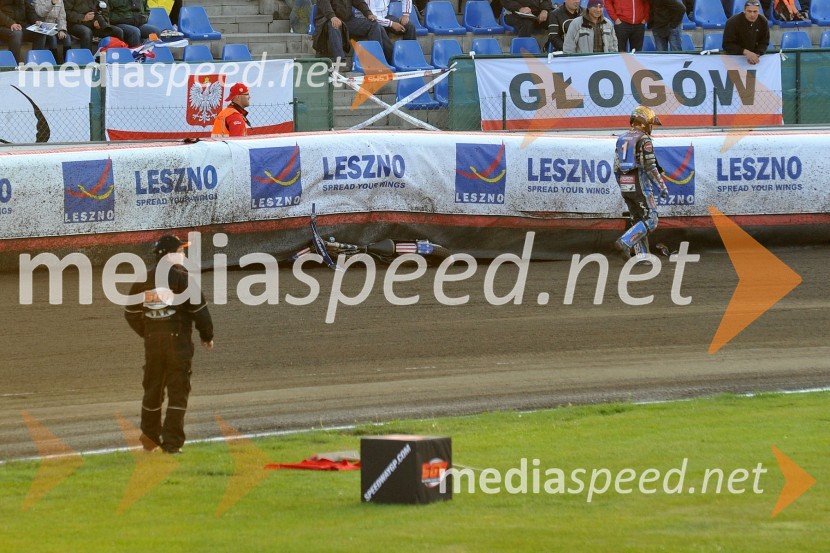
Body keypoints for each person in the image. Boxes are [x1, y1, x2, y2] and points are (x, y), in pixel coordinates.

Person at [124, 234, 214, 454]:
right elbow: (200, 311)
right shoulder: (182, 279)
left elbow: (130, 313)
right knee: (178, 391)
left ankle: (149, 440)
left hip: (153, 345)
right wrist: (207, 336)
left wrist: (149, 333)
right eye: (180, 251)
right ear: (169, 255)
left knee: (152, 390)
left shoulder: (142, 281)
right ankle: (172, 444)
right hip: (178, 345)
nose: (183, 255)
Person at [613, 105, 669, 262]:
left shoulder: (622, 138)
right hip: (640, 183)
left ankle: (642, 256)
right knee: (651, 219)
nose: (652, 127)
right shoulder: (644, 140)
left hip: (625, 183)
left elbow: (616, 167)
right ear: (645, 122)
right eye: (651, 124)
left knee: (637, 218)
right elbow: (650, 167)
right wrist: (662, 187)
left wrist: (623, 185)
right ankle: (625, 241)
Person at [313, 0, 393, 70]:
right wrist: (332, 17)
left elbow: (359, 2)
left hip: (347, 21)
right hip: (327, 19)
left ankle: (376, 59)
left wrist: (368, 13)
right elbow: (324, 4)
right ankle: (340, 61)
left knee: (373, 24)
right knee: (334, 25)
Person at [723, 0, 769, 65]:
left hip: (754, 59)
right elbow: (727, 44)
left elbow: (764, 42)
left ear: (759, 11)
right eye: (749, 11)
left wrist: (756, 54)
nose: (752, 15)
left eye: (755, 11)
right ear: (744, 11)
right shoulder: (732, 22)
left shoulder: (763, 21)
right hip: (734, 59)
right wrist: (746, 52)